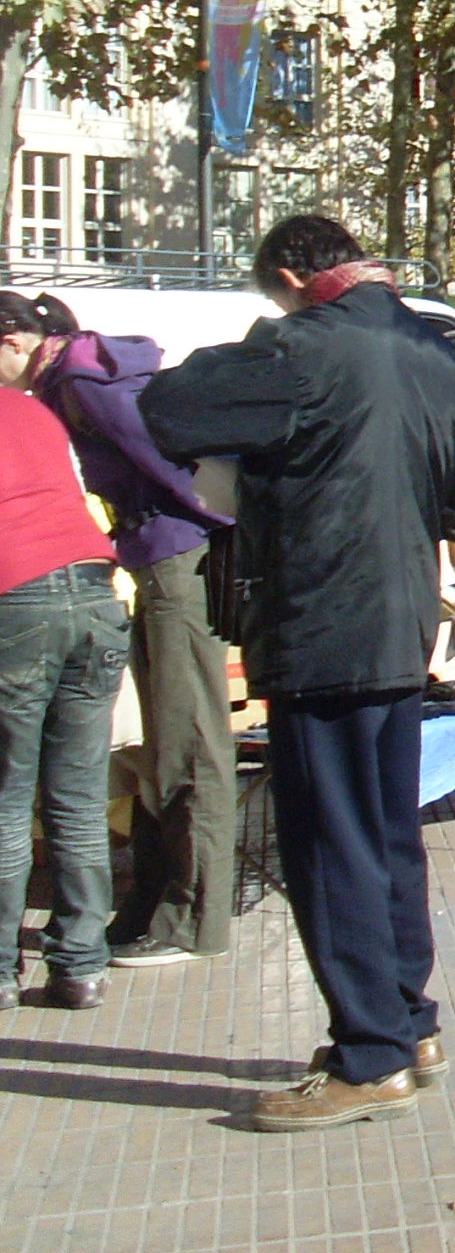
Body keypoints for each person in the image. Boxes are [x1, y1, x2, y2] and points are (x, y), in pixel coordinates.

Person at [140, 218, 455, 1130]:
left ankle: (368, 1056)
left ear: (294, 277)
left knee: (329, 843)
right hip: (401, 619)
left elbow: (171, 409)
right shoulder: (438, 351)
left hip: (319, 620)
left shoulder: (297, 347)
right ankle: (409, 1024)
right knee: (386, 834)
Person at [0, 292, 236, 968]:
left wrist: (208, 521)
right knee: (163, 747)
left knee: (187, 743)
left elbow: (165, 459)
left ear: (16, 341)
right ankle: (151, 911)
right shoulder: (75, 377)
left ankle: (194, 920)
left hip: (172, 556)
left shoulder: (76, 381)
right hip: (155, 553)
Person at [0, 378, 130, 1009]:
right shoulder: (30, 409)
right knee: (78, 796)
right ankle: (80, 968)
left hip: (14, 598)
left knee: (6, 796)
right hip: (94, 590)